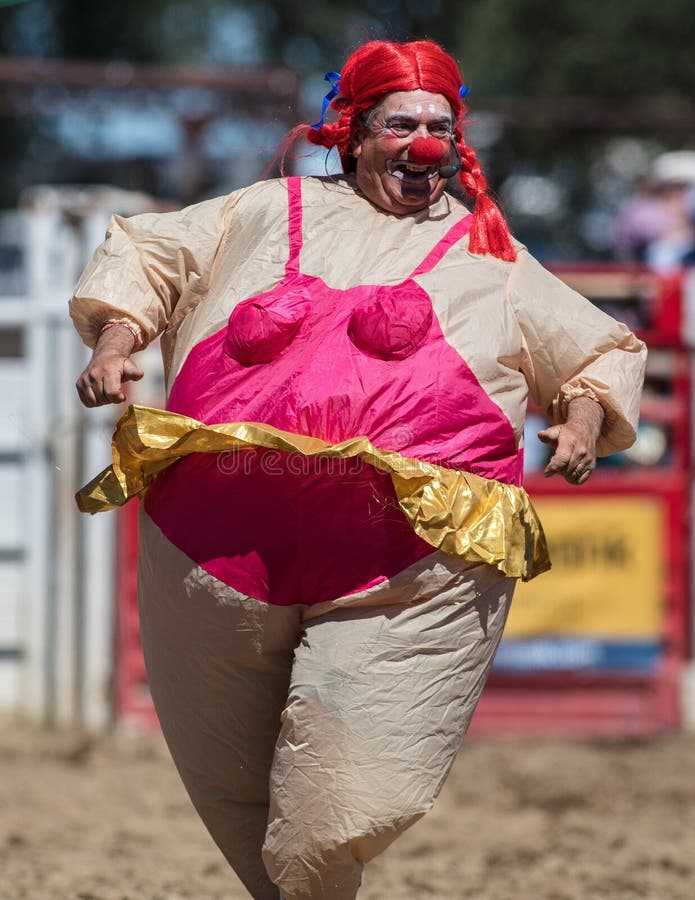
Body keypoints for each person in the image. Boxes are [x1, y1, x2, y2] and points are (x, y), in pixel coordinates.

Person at [70, 40, 646, 900]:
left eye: (439, 127)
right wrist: (118, 338)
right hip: (216, 552)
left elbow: (596, 348)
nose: (423, 145)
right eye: (402, 124)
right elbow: (152, 256)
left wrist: (582, 416)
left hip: (409, 569)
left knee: (334, 815)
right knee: (238, 801)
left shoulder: (486, 254)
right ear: (353, 131)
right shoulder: (267, 211)